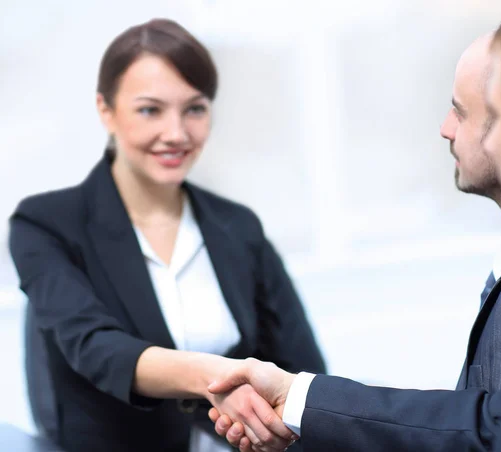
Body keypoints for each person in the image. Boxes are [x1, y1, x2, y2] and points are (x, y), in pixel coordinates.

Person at [207, 33, 501, 451]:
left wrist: (298, 400)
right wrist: (297, 410)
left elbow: (491, 432)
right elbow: (466, 422)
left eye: (460, 114)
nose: (445, 129)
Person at [9, 18, 325, 452]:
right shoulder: (46, 224)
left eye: (194, 108)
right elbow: (96, 347)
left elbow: (303, 366)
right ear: (106, 110)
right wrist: (216, 378)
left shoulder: (237, 226)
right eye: (150, 109)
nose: (176, 133)